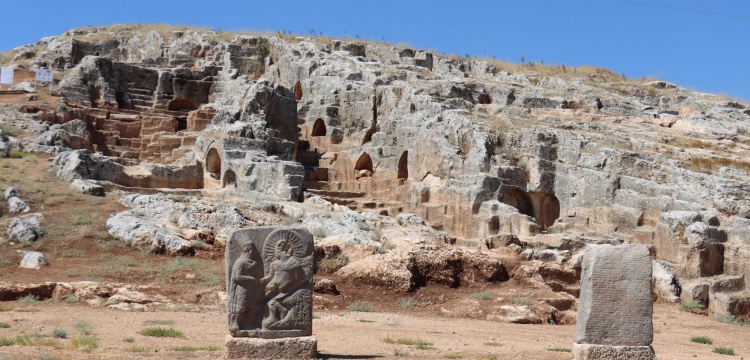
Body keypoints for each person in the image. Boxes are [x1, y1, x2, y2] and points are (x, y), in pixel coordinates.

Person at [228, 242, 264, 333]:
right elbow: (237, 277)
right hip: (243, 289)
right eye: (253, 250)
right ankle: (235, 323)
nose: (254, 252)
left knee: (252, 307)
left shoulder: (254, 263)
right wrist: (251, 279)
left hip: (252, 289)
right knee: (241, 307)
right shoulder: (240, 262)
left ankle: (249, 324)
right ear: (249, 250)